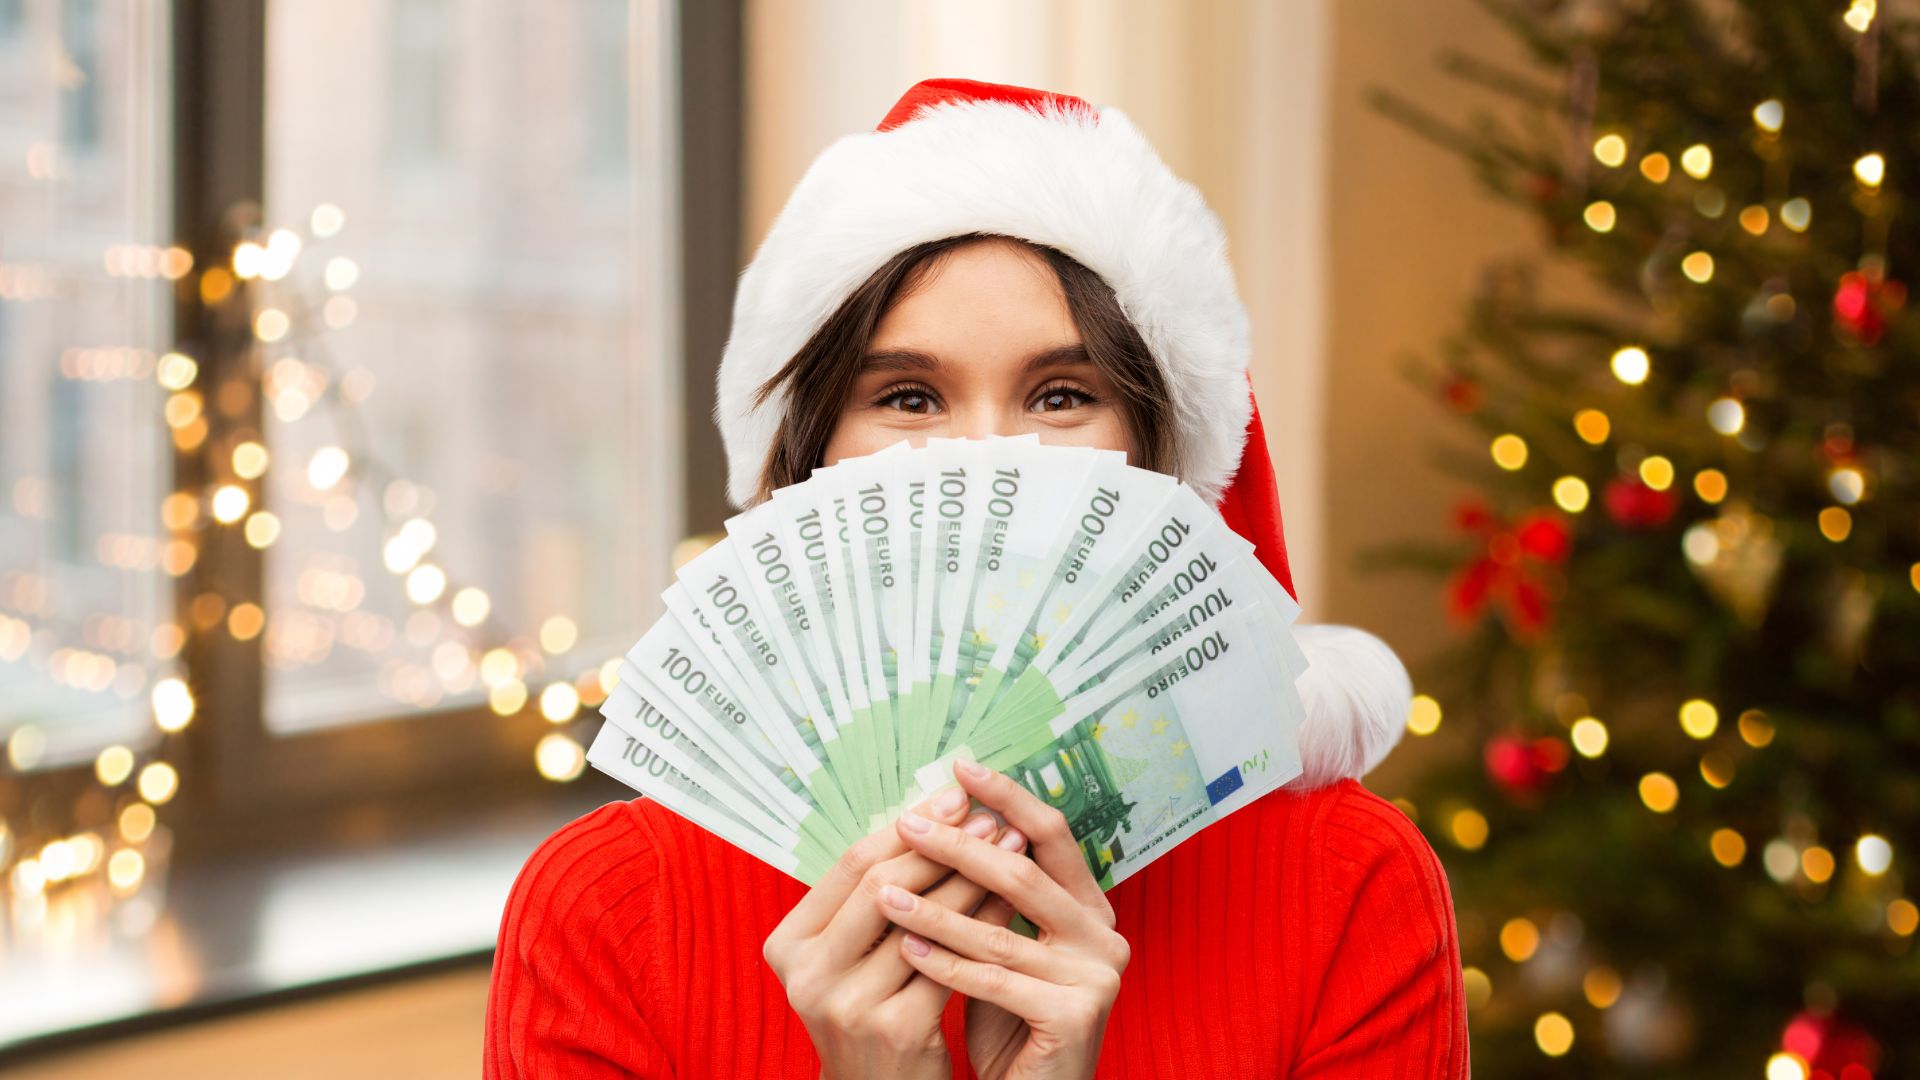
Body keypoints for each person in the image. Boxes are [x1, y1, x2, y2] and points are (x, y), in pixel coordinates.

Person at [484, 78, 1469, 1079]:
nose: (989, 464)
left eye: (1061, 394)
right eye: (910, 396)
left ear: (1156, 463)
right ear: (810, 463)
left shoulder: (1350, 885)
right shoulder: (606, 907)